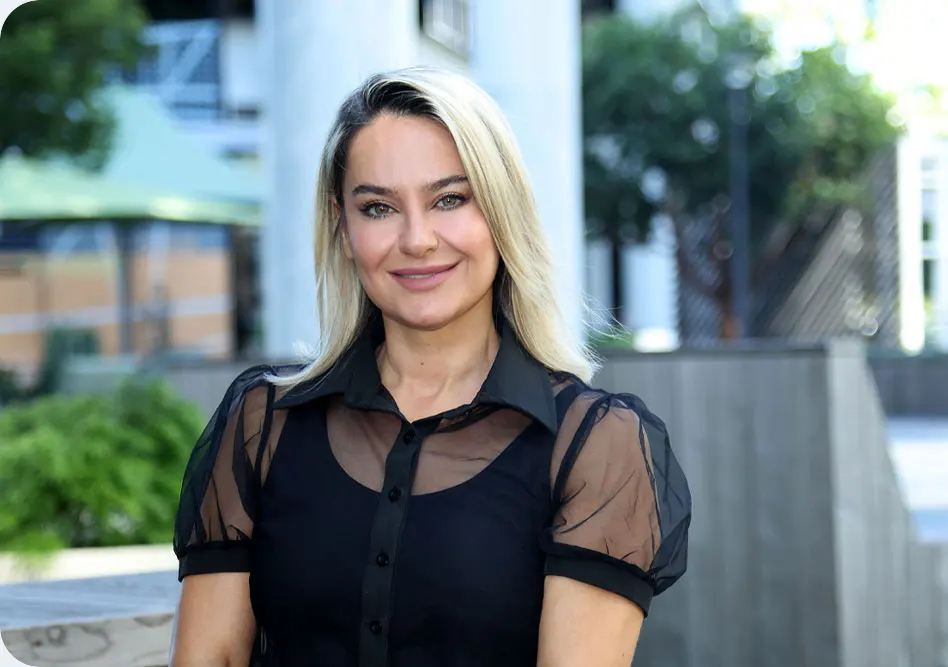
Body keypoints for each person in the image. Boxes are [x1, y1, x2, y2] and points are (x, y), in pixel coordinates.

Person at [169, 67, 691, 667]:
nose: (417, 239)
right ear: (343, 231)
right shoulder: (262, 423)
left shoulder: (598, 446)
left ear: (500, 212)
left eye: (450, 199)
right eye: (378, 208)